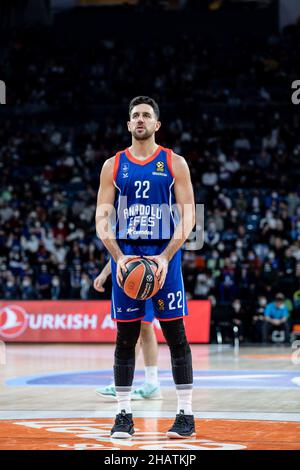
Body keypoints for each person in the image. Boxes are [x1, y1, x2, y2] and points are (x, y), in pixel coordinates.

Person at [95, 96, 196, 439]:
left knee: (176, 336)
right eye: (135, 115)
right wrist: (118, 257)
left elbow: (189, 216)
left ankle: (186, 414)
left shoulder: (174, 162)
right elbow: (102, 218)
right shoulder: (113, 165)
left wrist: (166, 257)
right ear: (128, 124)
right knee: (125, 337)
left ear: (157, 125)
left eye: (146, 115)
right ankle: (123, 415)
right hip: (127, 259)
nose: (140, 120)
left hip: (163, 258)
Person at [93, 260, 161, 400]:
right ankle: (145, 383)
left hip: (146, 275)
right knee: (141, 327)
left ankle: (132, 382)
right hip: (129, 278)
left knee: (142, 326)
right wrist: (104, 273)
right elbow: (118, 253)